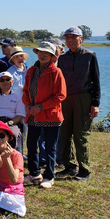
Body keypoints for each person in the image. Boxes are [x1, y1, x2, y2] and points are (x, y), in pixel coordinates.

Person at [57, 26, 100, 182]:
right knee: (64, 133)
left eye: (73, 37)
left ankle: (84, 169)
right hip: (65, 99)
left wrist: (95, 103)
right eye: (67, 37)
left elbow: (96, 81)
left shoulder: (90, 55)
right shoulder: (62, 58)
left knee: (81, 135)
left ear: (81, 39)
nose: (70, 40)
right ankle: (69, 166)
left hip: (84, 97)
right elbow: (59, 81)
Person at [22, 42, 66, 188]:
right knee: (32, 145)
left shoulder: (56, 72)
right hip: (33, 114)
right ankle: (34, 173)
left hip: (50, 115)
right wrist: (29, 106)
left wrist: (40, 107)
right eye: (40, 52)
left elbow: (60, 95)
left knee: (49, 147)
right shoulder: (31, 71)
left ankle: (49, 175)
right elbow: (25, 92)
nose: (42, 55)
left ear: (52, 56)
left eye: (46, 53)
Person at [0, 72, 26, 150]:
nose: (5, 82)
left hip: (12, 122)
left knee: (14, 134)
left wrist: (8, 123)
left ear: (12, 82)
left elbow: (19, 116)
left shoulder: (18, 97)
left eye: (8, 79)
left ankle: (12, 157)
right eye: (2, 80)